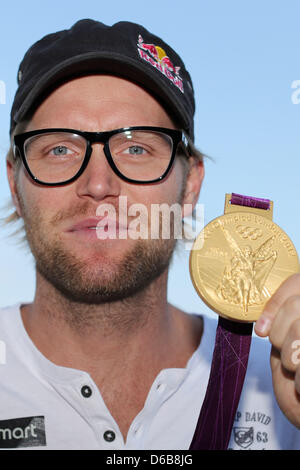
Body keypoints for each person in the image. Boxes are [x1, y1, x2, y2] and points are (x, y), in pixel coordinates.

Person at [1, 19, 300, 450]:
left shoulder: (278, 382)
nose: (99, 184)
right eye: (60, 149)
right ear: (16, 182)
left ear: (191, 184)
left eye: (137, 148)